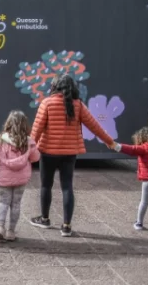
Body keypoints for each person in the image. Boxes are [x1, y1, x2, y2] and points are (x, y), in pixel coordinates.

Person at [29, 74, 115, 237]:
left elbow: (36, 129)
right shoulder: (78, 105)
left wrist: (28, 149)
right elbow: (95, 127)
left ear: (55, 87)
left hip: (48, 152)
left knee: (46, 185)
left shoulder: (47, 103)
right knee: (67, 186)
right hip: (69, 153)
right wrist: (110, 142)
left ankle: (45, 219)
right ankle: (66, 226)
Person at [0, 111, 40, 242]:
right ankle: (11, 231)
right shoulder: (28, 141)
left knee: (3, 202)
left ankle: (0, 227)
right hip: (21, 179)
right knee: (16, 204)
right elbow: (35, 157)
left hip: (3, 178)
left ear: (8, 123)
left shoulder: (0, 140)